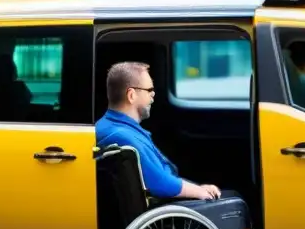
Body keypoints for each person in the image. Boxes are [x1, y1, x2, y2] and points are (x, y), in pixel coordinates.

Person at [95, 61, 222, 200]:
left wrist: (196, 187)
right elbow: (161, 184)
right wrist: (200, 192)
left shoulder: (109, 126)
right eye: (149, 90)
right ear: (131, 95)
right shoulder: (123, 137)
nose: (153, 94)